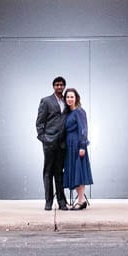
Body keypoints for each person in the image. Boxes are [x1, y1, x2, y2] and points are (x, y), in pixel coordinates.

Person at [35, 75, 69, 210]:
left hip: (62, 143)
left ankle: (61, 201)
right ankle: (48, 201)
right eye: (57, 85)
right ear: (53, 86)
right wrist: (43, 137)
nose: (59, 87)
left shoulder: (67, 101)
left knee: (59, 172)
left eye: (61, 85)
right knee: (48, 171)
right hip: (49, 141)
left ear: (64, 86)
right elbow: (39, 122)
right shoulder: (46, 101)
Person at [61, 87, 93, 210]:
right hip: (69, 146)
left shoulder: (80, 111)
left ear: (76, 98)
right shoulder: (68, 113)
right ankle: (82, 200)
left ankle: (80, 200)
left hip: (77, 145)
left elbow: (84, 129)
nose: (69, 99)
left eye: (72, 97)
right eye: (67, 97)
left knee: (79, 172)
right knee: (73, 172)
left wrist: (82, 146)